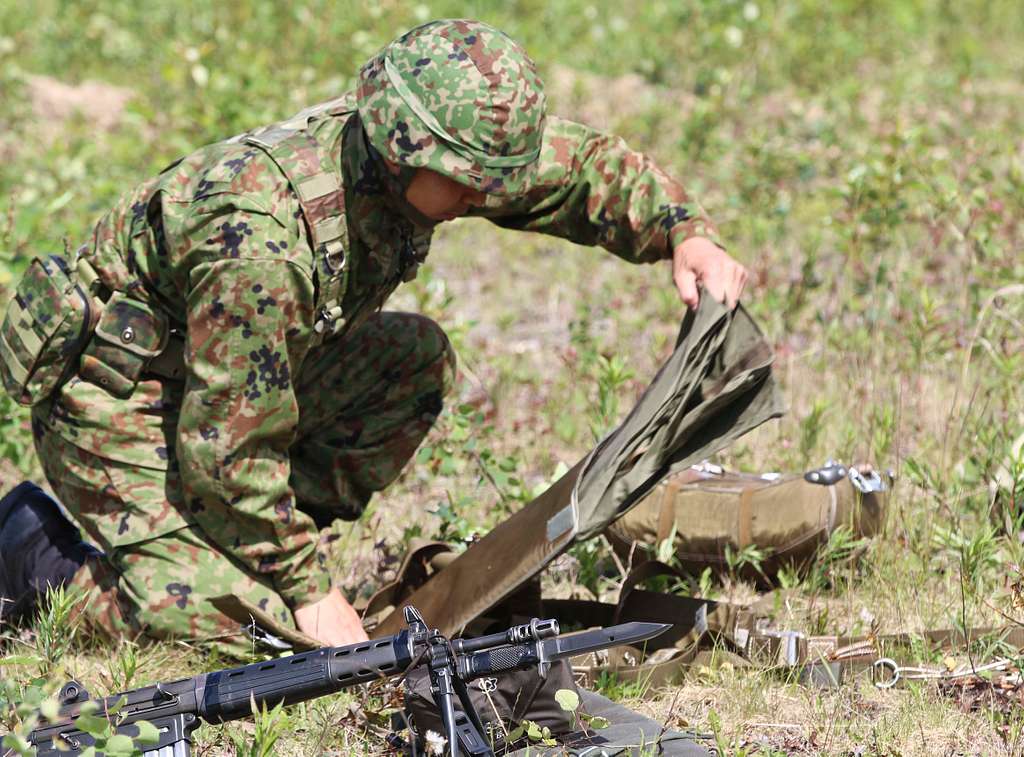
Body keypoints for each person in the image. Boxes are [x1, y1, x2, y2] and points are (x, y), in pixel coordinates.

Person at [0, 19, 747, 653]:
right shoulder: (264, 243)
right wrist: (309, 592)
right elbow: (227, 451)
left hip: (224, 386)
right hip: (116, 401)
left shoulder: (425, 158)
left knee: (411, 363)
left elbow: (574, 169)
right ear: (404, 150)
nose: (485, 197)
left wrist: (684, 232)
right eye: (469, 181)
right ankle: (28, 547)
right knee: (242, 638)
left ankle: (253, 546)